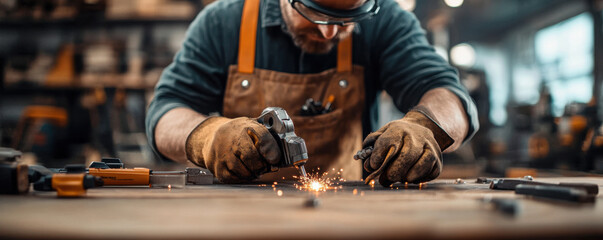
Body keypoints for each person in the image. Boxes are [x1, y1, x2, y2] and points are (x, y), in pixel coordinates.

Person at [145, 0, 479, 186]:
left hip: (348, 216)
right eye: (313, 12)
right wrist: (208, 137)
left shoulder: (387, 21)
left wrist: (425, 128)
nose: (328, 31)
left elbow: (447, 93)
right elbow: (166, 112)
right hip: (238, 220)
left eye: (347, 19)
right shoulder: (222, 23)